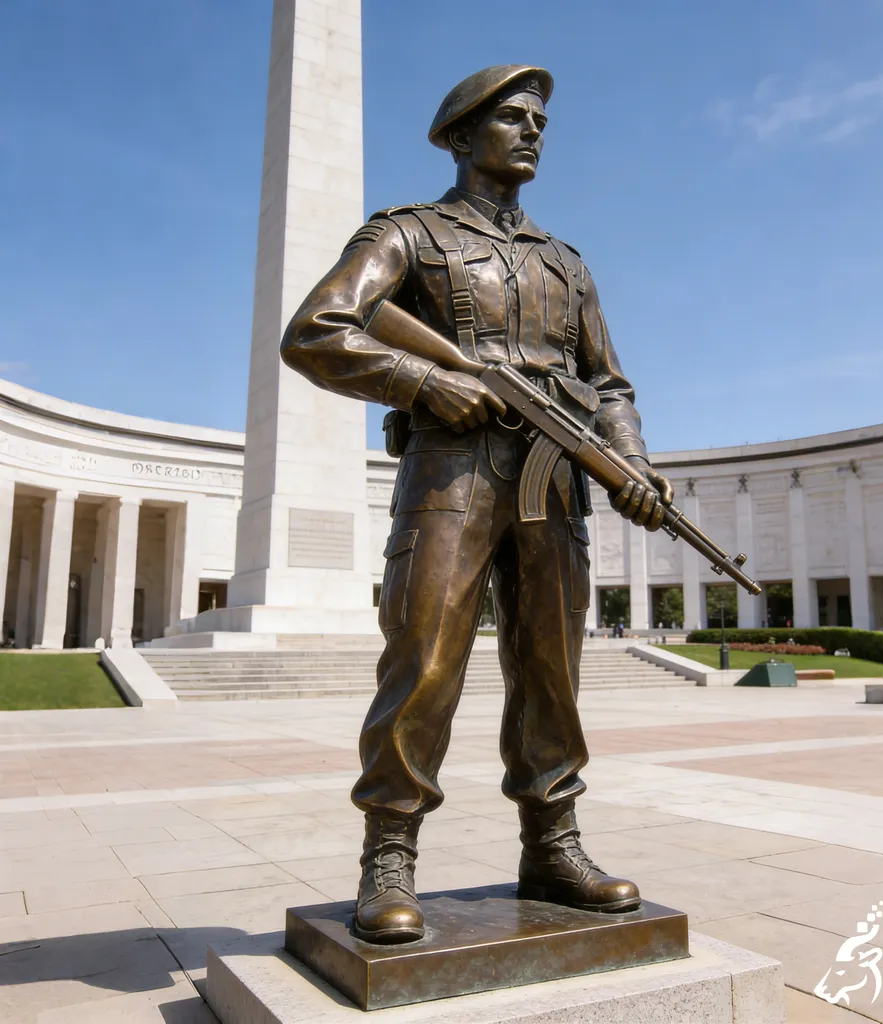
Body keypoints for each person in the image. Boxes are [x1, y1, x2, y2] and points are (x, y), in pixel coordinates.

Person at [281, 65, 672, 944]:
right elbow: (315, 330)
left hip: (552, 484)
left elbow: (608, 384)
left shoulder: (564, 263)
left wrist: (632, 464)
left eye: (539, 119)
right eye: (510, 117)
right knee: (422, 664)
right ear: (459, 137)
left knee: (549, 668)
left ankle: (553, 844)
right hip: (449, 478)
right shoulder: (407, 234)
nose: (531, 130)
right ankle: (389, 853)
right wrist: (423, 380)